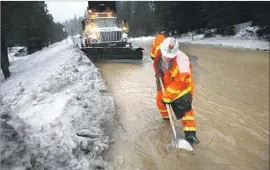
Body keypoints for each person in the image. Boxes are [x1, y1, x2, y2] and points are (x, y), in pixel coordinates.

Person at [153, 37, 199, 144]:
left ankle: (190, 135)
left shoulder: (182, 62)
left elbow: (179, 83)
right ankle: (167, 120)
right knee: (160, 101)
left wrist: (168, 97)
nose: (166, 58)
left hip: (182, 88)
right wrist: (157, 70)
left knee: (185, 110)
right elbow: (156, 52)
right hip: (165, 80)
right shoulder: (159, 48)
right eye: (165, 55)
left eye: (170, 57)